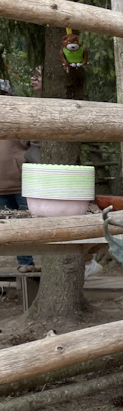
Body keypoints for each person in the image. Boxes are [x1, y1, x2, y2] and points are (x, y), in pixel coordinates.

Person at [0, 80, 39, 272]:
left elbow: (34, 142)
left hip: (21, 183)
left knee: (27, 223)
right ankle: (25, 262)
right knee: (10, 227)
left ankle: (32, 262)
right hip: (0, 186)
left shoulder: (19, 119)